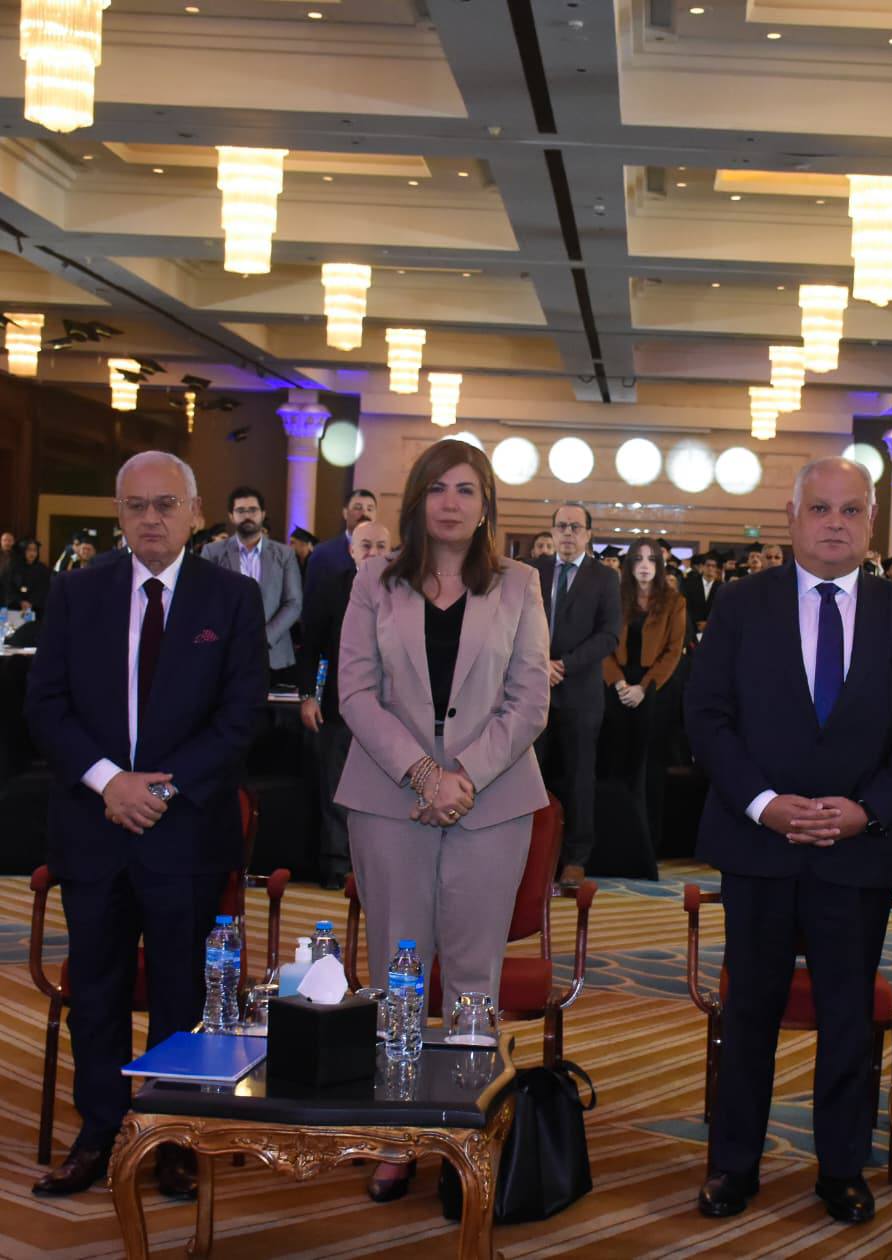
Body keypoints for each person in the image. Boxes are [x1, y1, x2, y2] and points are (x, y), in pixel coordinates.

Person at [685, 457, 892, 1227]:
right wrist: (764, 805)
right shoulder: (741, 604)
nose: (836, 523)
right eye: (821, 508)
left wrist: (870, 810)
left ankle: (841, 1168)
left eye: (851, 510)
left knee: (847, 1019)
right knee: (750, 1013)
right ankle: (734, 1165)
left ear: (871, 522)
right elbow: (706, 715)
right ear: (792, 518)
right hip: (758, 844)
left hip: (856, 849)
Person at [25, 451, 266, 1199]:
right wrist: (111, 782)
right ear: (119, 514)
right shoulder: (77, 592)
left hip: (185, 828)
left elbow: (242, 716)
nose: (151, 519)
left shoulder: (232, 598)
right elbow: (45, 704)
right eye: (136, 506)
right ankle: (99, 1131)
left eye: (166, 505)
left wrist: (160, 788)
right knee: (95, 992)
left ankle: (172, 1133)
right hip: (95, 826)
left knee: (181, 991)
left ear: (196, 514)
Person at [335, 438, 549, 1203]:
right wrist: (423, 773)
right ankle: (396, 1134)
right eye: (436, 488)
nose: (451, 502)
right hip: (388, 798)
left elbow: (530, 699)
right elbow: (355, 692)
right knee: (396, 972)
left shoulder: (520, 583)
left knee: (471, 978)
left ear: (486, 504)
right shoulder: (373, 580)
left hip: (492, 803)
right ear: (416, 500)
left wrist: (464, 778)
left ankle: (464, 1131)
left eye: (466, 489)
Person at [297, 520, 392, 889]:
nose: (373, 553)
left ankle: (376, 868)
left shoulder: (405, 590)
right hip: (339, 707)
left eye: (381, 546)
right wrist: (308, 696)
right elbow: (311, 646)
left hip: (391, 712)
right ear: (352, 551)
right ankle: (337, 866)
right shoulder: (332, 587)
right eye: (366, 546)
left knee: (383, 792)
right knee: (336, 789)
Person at [533, 502, 621, 885]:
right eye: (561, 526)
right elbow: (513, 624)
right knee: (529, 774)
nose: (567, 533)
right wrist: (539, 664)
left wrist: (563, 665)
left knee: (579, 777)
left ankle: (576, 857)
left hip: (580, 692)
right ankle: (529, 854)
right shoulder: (532, 572)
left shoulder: (605, 578)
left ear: (588, 534)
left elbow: (609, 635)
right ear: (552, 531)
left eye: (575, 527)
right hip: (532, 690)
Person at [600, 537, 687, 870]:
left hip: (655, 691)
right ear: (629, 564)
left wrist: (643, 688)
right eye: (638, 559)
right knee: (616, 765)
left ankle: (648, 847)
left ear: (660, 565)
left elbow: (673, 652)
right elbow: (603, 642)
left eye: (651, 560)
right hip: (617, 687)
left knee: (649, 770)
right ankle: (614, 846)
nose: (645, 566)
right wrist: (619, 682)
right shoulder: (614, 596)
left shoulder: (675, 601)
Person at [202, 486, 303, 685]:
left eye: (253, 510)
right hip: (226, 653)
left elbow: (293, 603)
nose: (247, 516)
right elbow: (206, 601)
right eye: (241, 511)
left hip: (273, 655)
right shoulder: (212, 552)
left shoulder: (284, 554)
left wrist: (263, 638)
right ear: (231, 516)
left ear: (263, 514)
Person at [305, 488, 378, 602]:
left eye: (370, 509)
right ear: (345, 513)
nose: (365, 513)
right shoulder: (323, 554)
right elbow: (312, 603)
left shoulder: (385, 556)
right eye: (358, 508)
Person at [8, 538, 50, 613]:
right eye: (29, 550)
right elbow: (10, 587)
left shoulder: (43, 569)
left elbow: (44, 589)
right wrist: (20, 601)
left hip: (37, 608)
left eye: (35, 550)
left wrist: (31, 602)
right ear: (23, 551)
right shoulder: (14, 568)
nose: (32, 553)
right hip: (16, 608)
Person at [683, 552, 721, 630]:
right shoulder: (690, 585)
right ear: (702, 567)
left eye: (713, 566)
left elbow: (722, 610)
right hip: (693, 628)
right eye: (708, 565)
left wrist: (709, 624)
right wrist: (695, 625)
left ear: (716, 569)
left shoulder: (722, 587)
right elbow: (687, 608)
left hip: (714, 628)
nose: (710, 568)